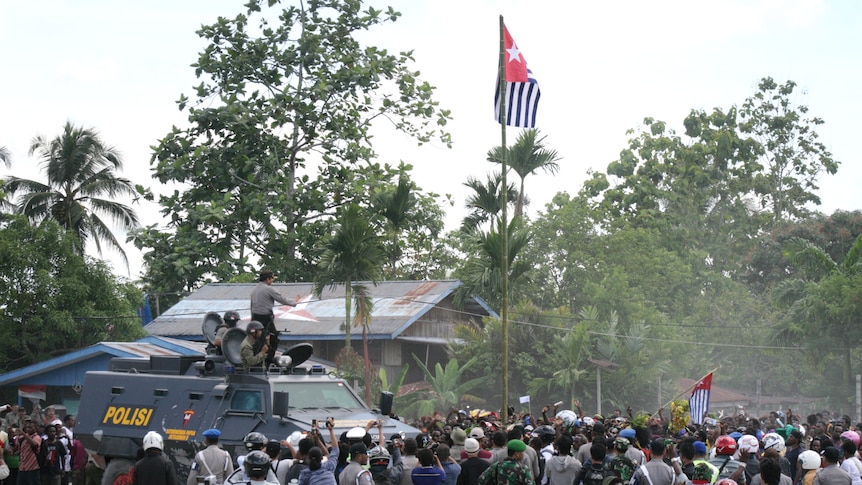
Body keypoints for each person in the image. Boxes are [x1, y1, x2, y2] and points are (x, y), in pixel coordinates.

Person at [250, 269, 296, 364]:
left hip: (255, 318)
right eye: (271, 279)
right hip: (265, 318)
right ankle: (268, 360)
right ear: (267, 279)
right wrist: (295, 302)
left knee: (258, 340)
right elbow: (282, 299)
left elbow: (251, 306)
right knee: (273, 339)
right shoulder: (268, 289)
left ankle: (258, 358)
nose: (272, 281)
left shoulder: (254, 290)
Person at [299, 417, 338, 485]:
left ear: (309, 458)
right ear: (322, 458)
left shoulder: (305, 474)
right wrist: (331, 430)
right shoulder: (329, 467)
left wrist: (307, 439)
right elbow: (335, 450)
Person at [14, 420, 42, 485]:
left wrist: (24, 434)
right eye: (27, 427)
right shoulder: (23, 439)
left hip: (32, 468)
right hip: (22, 468)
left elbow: (35, 445)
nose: (28, 429)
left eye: (30, 427)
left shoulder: (36, 437)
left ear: (36, 428)